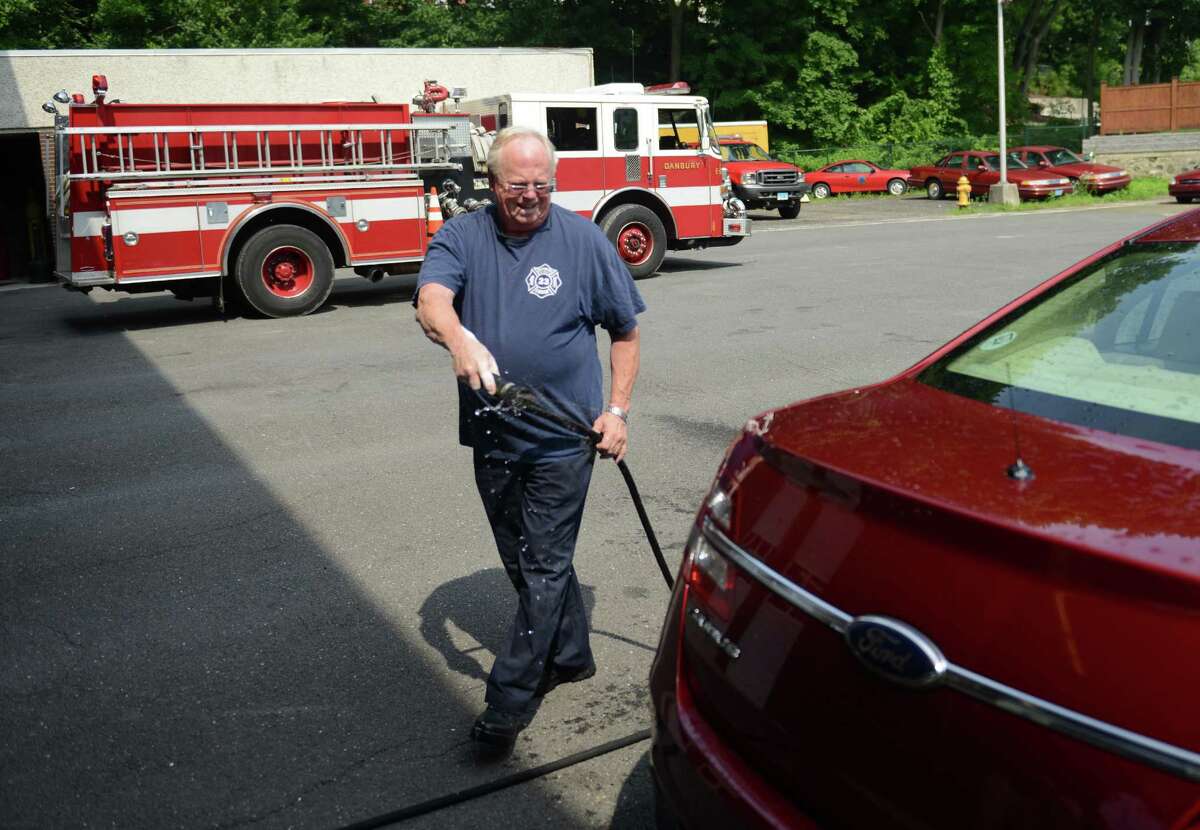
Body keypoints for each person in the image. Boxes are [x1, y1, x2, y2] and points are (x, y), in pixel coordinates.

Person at [413, 126, 645, 752]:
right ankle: (569, 654)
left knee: (543, 565)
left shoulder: (583, 240)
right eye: (518, 185)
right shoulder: (464, 235)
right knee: (525, 559)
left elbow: (625, 331)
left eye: (542, 185)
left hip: (565, 440)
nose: (531, 197)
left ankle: (507, 705)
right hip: (492, 432)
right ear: (493, 184)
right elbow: (431, 298)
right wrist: (459, 339)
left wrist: (617, 412)